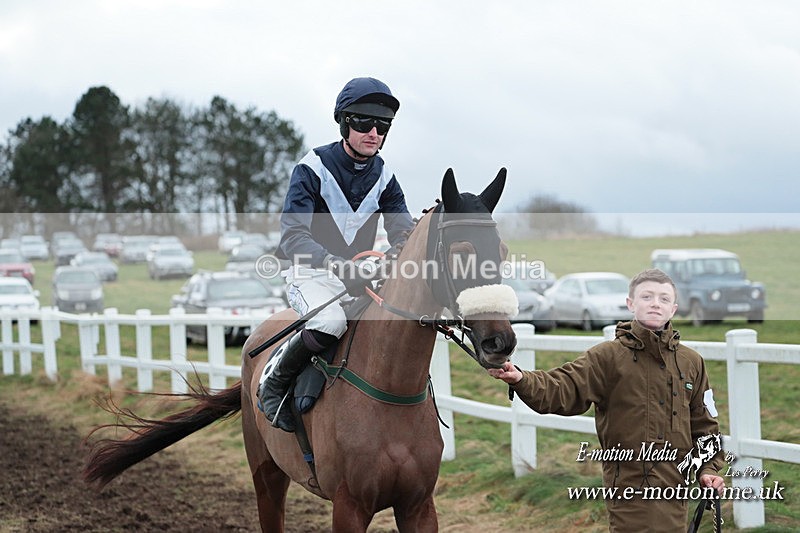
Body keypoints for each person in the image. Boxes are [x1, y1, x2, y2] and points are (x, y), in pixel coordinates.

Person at [487, 268, 726, 531]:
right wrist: (521, 378)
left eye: (664, 299)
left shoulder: (691, 362)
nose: (655, 303)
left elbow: (705, 426)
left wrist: (709, 469)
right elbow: (563, 387)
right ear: (631, 304)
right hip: (629, 490)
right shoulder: (607, 357)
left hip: (676, 490)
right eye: (647, 296)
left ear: (674, 309)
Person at [259, 77, 415, 432]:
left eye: (383, 126)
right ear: (345, 123)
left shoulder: (385, 176)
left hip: (359, 277)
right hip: (310, 274)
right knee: (330, 323)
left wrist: (393, 257)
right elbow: (293, 234)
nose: (374, 132)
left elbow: (402, 231)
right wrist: (335, 264)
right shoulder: (311, 168)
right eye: (364, 123)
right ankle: (275, 383)